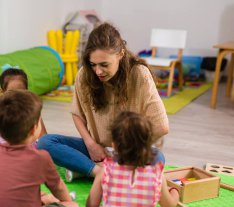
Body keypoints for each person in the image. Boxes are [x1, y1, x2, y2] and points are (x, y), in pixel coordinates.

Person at [37, 22, 169, 181]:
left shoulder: (139, 74)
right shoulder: (84, 74)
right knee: (46, 142)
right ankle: (101, 173)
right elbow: (77, 114)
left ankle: (88, 170)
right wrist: (91, 145)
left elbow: (161, 126)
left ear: (120, 54)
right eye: (93, 64)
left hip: (129, 151)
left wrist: (128, 150)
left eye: (104, 64)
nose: (98, 71)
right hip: (97, 149)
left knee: (158, 158)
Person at [82, 111, 179, 207]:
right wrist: (175, 192)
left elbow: (92, 203)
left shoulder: (106, 170)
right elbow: (168, 205)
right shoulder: (156, 175)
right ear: (148, 146)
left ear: (114, 145)